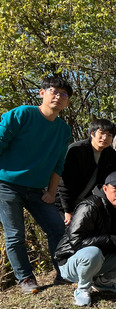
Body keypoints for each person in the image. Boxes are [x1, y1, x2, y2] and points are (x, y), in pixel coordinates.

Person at [0, 76, 72, 293]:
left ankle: (64, 273)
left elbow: (58, 166)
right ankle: (26, 279)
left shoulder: (63, 130)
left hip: (37, 190)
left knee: (58, 228)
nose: (58, 96)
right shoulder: (23, 114)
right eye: (54, 91)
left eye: (64, 94)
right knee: (15, 234)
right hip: (6, 185)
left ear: (67, 102)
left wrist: (51, 192)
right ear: (42, 93)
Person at [54, 171, 116, 306]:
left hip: (101, 258)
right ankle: (82, 288)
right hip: (72, 261)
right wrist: (113, 240)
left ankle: (105, 282)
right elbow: (76, 241)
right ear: (105, 189)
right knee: (93, 252)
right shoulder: (90, 206)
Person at [57, 119, 116, 226]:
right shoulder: (76, 150)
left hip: (87, 204)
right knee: (62, 233)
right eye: (102, 133)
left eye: (109, 135)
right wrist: (68, 210)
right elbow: (64, 182)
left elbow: (106, 184)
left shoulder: (111, 155)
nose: (105, 138)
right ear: (92, 133)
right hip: (63, 203)